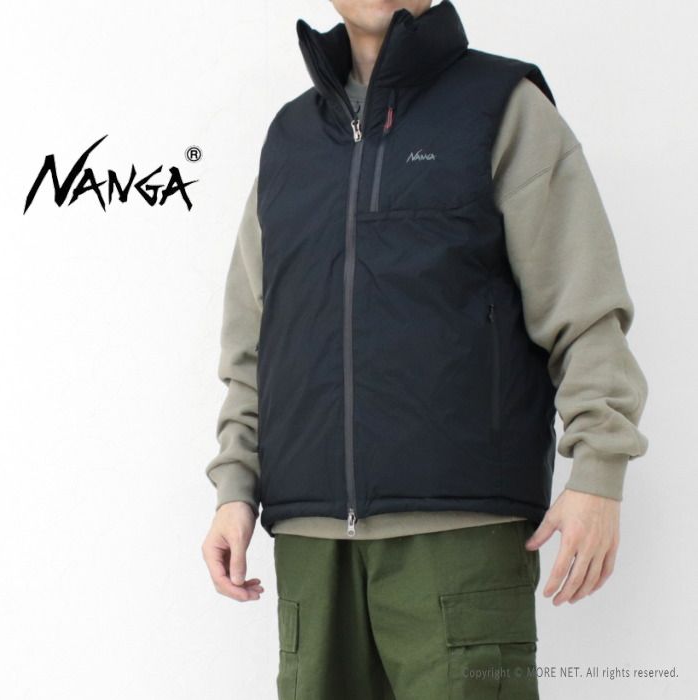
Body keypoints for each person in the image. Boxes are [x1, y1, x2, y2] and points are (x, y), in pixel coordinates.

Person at [201, 1, 649, 697]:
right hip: (312, 546)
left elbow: (583, 305)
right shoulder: (290, 140)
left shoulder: (503, 109)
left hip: (461, 540)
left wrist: (598, 469)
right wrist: (235, 487)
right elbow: (255, 339)